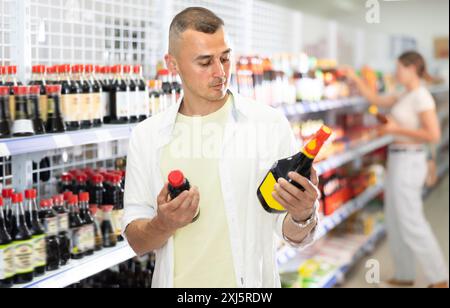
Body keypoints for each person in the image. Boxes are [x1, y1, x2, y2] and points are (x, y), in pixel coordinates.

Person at [122, 7, 321, 288]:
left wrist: (303, 214)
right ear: (173, 64)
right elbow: (136, 241)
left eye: (225, 58)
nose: (220, 72)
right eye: (204, 62)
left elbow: (290, 234)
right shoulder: (147, 137)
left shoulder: (268, 124)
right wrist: (163, 224)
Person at [344, 51, 448, 288]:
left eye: (399, 68)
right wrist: (355, 78)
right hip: (398, 160)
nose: (395, 72)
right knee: (395, 220)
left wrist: (394, 130)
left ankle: (440, 279)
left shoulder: (421, 97)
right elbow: (376, 100)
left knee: (412, 222)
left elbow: (433, 134)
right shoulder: (404, 94)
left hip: (410, 161)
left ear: (412, 68)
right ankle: (404, 275)